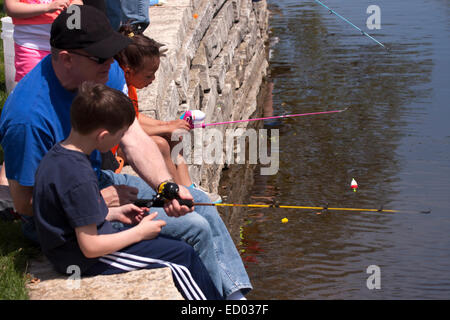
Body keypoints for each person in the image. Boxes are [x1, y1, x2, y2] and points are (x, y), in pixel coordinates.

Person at [0, 5, 252, 299]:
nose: (112, 64)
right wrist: (94, 203)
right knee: (193, 225)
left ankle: (235, 296)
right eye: (101, 57)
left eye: (111, 54)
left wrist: (166, 187)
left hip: (95, 184)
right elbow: (24, 202)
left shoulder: (102, 72)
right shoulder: (27, 118)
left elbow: (132, 136)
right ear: (67, 59)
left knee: (198, 201)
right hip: (65, 217)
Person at [33, 81, 222, 300]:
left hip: (70, 248)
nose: (121, 140)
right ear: (103, 136)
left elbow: (70, 211)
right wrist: (139, 233)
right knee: (182, 259)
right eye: (121, 134)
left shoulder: (60, 155)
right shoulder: (79, 175)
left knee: (177, 250)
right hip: (80, 259)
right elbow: (90, 247)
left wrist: (112, 213)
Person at [113, 25, 192, 186]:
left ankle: (188, 186)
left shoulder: (129, 85)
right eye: (149, 75)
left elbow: (135, 116)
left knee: (174, 135)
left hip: (125, 137)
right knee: (160, 144)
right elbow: (129, 129)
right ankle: (180, 192)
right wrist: (165, 128)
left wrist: (168, 125)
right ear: (128, 71)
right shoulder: (117, 90)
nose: (153, 79)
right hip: (115, 146)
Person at [4, 0, 83, 82]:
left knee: (64, 84)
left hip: (63, 45)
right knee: (31, 83)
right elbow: (11, 8)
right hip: (30, 45)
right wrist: (48, 7)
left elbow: (78, 2)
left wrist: (73, 7)